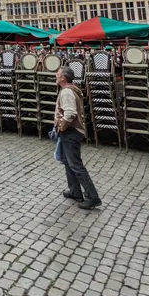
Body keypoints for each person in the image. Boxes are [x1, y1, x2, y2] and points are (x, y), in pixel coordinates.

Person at [55, 66, 101, 210]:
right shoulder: (70, 89)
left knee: (75, 164)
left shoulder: (67, 91)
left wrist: (62, 127)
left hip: (71, 131)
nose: (55, 77)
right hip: (70, 131)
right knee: (67, 161)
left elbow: (70, 112)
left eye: (57, 74)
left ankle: (92, 197)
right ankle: (75, 191)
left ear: (63, 78)